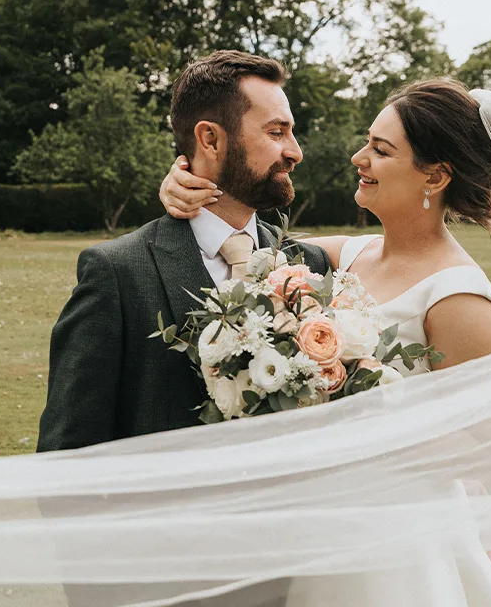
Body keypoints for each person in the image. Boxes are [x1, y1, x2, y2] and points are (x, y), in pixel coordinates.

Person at [36, 50, 331, 453]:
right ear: (209, 139)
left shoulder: (309, 266)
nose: (295, 151)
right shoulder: (118, 274)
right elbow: (67, 454)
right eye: (276, 132)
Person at [159, 78, 491, 376]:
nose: (358, 158)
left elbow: (489, 449)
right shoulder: (345, 255)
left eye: (381, 151)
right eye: (367, 141)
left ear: (435, 177)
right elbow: (242, 244)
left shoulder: (462, 300)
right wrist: (186, 183)